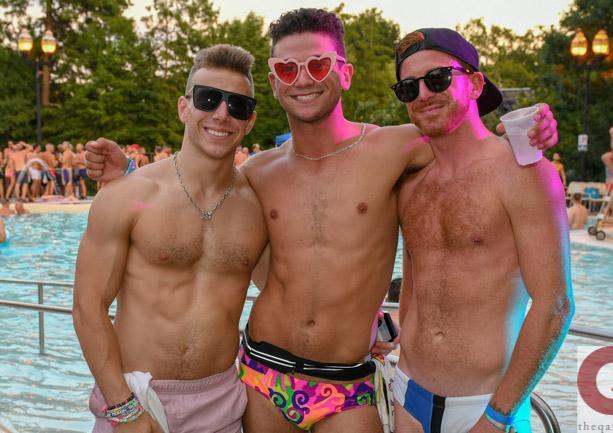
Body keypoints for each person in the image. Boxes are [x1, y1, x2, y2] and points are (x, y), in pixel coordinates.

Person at [85, 9, 559, 433]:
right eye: (287, 69)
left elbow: (465, 141)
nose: (302, 79)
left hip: (348, 381)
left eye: (317, 65)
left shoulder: (397, 148)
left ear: (345, 74)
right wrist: (128, 174)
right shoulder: (257, 172)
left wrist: (529, 130)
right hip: (262, 373)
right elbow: (193, 201)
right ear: (273, 83)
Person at [73, 44, 267, 433]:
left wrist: (367, 324)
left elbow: (289, 288)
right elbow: (87, 307)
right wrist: (123, 407)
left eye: (238, 105)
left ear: (249, 122)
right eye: (208, 98)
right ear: (184, 107)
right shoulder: (129, 195)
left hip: (221, 404)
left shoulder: (260, 205)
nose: (222, 114)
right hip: (134, 396)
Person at [392, 28, 573, 433]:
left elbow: (556, 304)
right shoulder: (409, 183)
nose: (423, 94)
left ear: (474, 84)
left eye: (438, 78)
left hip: (485, 408)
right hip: (408, 395)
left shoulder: (523, 172)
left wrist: (497, 416)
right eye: (408, 88)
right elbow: (414, 280)